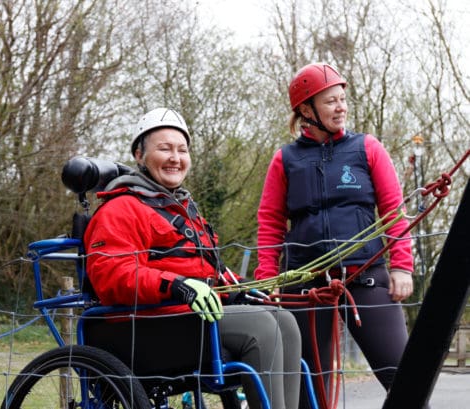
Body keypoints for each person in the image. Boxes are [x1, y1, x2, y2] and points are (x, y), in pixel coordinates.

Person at [84, 107, 301, 409]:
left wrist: (243, 290)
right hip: (145, 328)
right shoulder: (121, 209)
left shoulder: (181, 208)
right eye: (165, 149)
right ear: (139, 154)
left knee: (284, 320)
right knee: (262, 327)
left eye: (182, 150)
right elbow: (112, 275)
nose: (175, 157)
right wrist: (178, 285)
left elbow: (213, 271)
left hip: (188, 321)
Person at [255, 63, 415, 409]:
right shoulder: (285, 159)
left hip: (365, 277)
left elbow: (393, 211)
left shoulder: (367, 148)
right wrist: (268, 280)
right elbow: (269, 222)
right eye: (330, 101)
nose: (341, 107)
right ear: (305, 110)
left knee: (405, 378)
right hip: (306, 285)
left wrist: (402, 266)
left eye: (342, 99)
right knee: (310, 392)